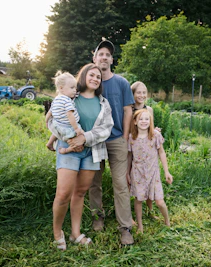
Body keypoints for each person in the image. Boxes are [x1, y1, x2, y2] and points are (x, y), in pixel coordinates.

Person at [49, 63, 114, 250]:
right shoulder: (70, 96)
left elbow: (106, 129)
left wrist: (84, 139)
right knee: (63, 194)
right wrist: (71, 141)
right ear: (84, 76)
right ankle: (57, 233)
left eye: (98, 77)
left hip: (91, 152)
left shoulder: (103, 103)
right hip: (68, 149)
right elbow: (53, 119)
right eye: (91, 75)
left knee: (80, 193)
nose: (95, 79)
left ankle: (75, 233)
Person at [89, 39, 136, 245]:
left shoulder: (122, 82)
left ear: (112, 60)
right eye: (101, 54)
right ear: (94, 58)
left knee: (120, 184)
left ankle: (125, 227)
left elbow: (128, 110)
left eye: (108, 54)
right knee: (94, 182)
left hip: (117, 139)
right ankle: (97, 216)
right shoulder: (89, 81)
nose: (104, 57)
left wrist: (125, 138)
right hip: (96, 140)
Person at [126, 109, 173, 234]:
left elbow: (161, 152)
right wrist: (127, 172)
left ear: (150, 121)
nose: (144, 121)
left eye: (147, 119)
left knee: (159, 201)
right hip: (137, 173)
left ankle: (167, 220)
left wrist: (166, 172)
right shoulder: (132, 138)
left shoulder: (155, 135)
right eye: (141, 119)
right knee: (139, 200)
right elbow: (129, 156)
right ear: (135, 122)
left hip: (153, 173)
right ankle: (140, 225)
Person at [130, 81, 160, 218]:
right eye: (138, 92)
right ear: (133, 94)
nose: (141, 95)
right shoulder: (129, 110)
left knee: (149, 181)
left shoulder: (149, 110)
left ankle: (150, 210)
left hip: (147, 151)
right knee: (137, 182)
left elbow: (150, 126)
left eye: (144, 92)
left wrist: (155, 130)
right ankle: (133, 214)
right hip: (134, 149)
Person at [46, 71, 84, 154]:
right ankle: (66, 150)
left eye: (75, 88)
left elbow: (49, 113)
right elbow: (70, 114)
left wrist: (47, 122)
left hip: (57, 124)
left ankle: (50, 142)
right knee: (80, 136)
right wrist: (76, 128)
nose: (75, 90)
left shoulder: (56, 99)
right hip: (68, 127)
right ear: (61, 88)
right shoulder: (66, 100)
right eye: (72, 88)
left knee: (57, 131)